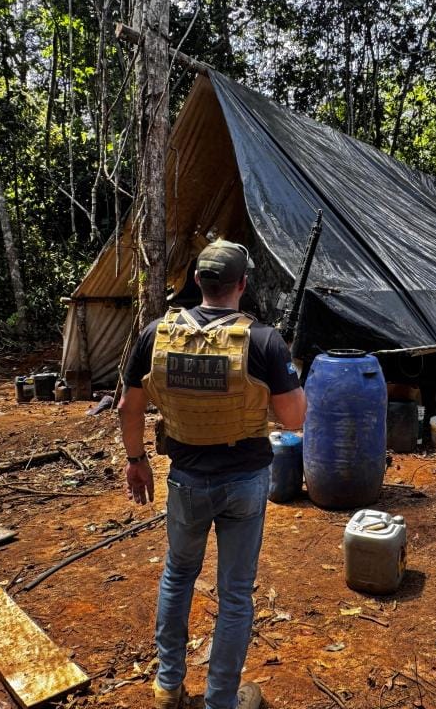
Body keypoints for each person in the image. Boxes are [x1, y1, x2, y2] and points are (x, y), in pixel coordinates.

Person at [119, 240, 307, 709]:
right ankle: (220, 700)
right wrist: (287, 376)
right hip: (244, 482)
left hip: (185, 478)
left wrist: (136, 460)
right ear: (243, 284)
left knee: (178, 575)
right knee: (236, 594)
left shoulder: (156, 334)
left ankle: (167, 687)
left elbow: (128, 406)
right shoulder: (262, 340)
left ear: (198, 282)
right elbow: (295, 419)